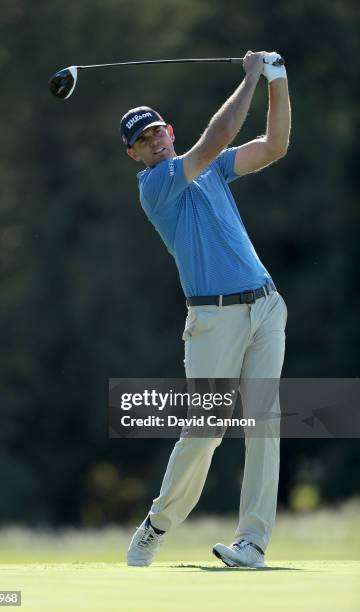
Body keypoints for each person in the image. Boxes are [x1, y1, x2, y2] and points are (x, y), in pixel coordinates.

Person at [120, 50, 291, 568]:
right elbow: (217, 135)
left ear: (169, 129)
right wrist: (250, 78)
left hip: (265, 306)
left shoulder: (213, 170)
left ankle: (253, 543)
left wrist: (277, 83)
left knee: (264, 424)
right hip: (213, 320)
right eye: (141, 140)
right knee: (206, 431)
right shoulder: (156, 185)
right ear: (134, 155)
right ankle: (158, 524)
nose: (153, 140)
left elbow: (274, 146)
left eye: (156, 131)